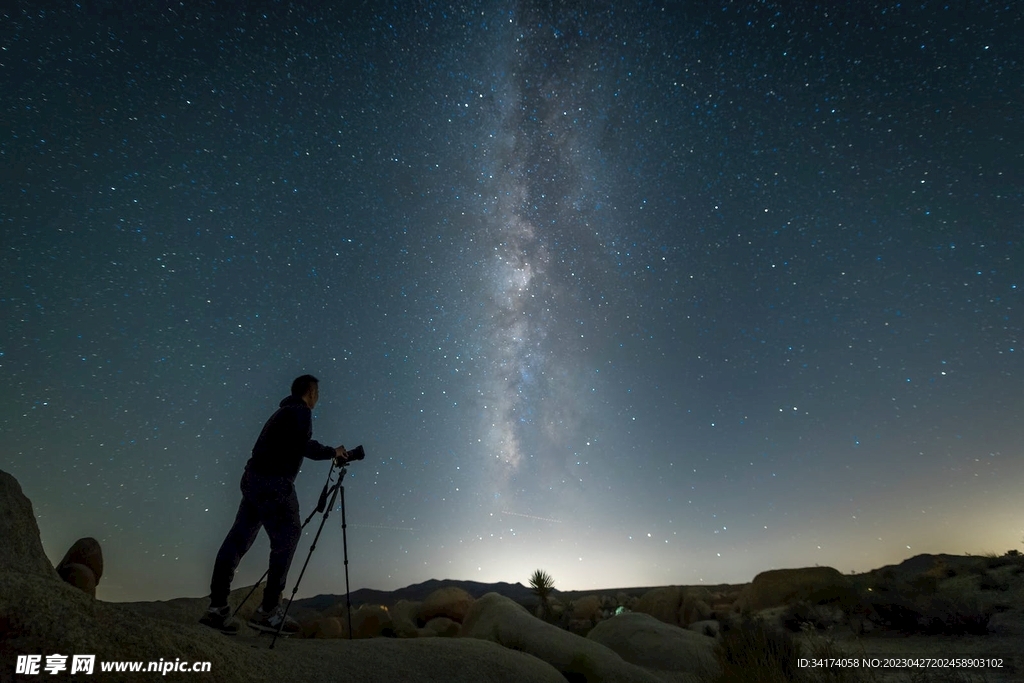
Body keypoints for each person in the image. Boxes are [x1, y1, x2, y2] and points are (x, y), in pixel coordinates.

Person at [200, 374, 349, 634]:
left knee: (237, 540)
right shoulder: (300, 412)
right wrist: (333, 453)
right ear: (311, 392)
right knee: (288, 535)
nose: (318, 398)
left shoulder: (280, 413)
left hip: (253, 479)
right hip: (274, 482)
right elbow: (305, 446)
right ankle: (268, 610)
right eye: (317, 393)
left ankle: (217, 609)